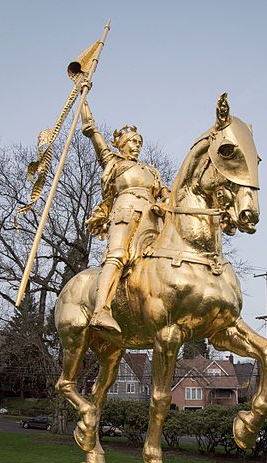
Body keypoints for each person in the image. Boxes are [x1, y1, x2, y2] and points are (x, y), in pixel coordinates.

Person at [81, 101, 170, 334]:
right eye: (132, 141)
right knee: (117, 254)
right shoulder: (114, 163)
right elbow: (92, 130)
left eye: (139, 142)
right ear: (120, 144)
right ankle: (101, 309)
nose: (136, 146)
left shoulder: (151, 171)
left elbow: (166, 193)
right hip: (125, 213)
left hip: (153, 218)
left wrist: (165, 202)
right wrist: (84, 100)